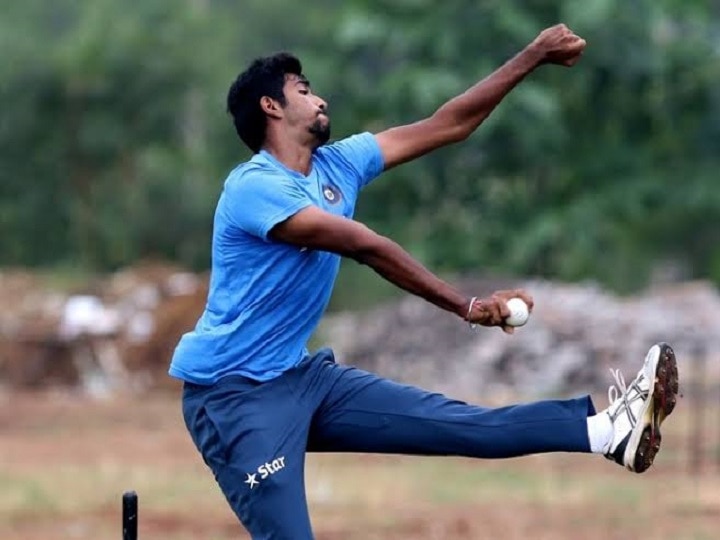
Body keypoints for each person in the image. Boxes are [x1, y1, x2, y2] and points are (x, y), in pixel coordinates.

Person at [169, 24, 679, 539]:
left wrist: (532, 56)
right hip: (231, 397)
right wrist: (467, 305)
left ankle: (605, 431)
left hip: (301, 378)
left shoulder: (338, 165)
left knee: (461, 424)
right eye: (303, 89)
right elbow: (364, 245)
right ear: (271, 108)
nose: (319, 97)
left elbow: (450, 124)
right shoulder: (253, 187)